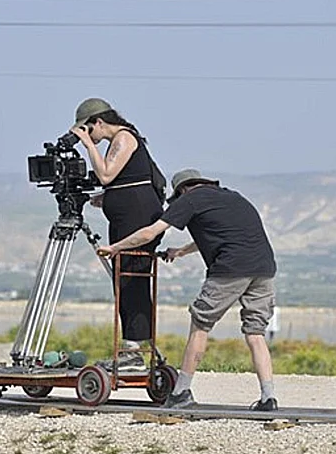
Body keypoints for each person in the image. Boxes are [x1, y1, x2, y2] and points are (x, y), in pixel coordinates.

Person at [97, 168, 278, 410]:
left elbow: (150, 232)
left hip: (230, 270)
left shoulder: (190, 199)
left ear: (182, 190)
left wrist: (115, 247)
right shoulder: (233, 197)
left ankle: (181, 392)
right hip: (264, 269)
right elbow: (224, 234)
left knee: (200, 326)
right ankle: (268, 397)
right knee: (255, 334)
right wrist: (181, 251)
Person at [70, 97, 165, 372]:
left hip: (134, 221)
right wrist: (108, 198)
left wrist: (88, 146)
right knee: (126, 281)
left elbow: (107, 175)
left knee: (131, 282)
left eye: (89, 130)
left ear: (99, 122)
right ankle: (133, 347)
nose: (91, 137)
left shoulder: (123, 138)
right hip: (128, 217)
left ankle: (133, 351)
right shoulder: (120, 141)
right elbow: (120, 183)